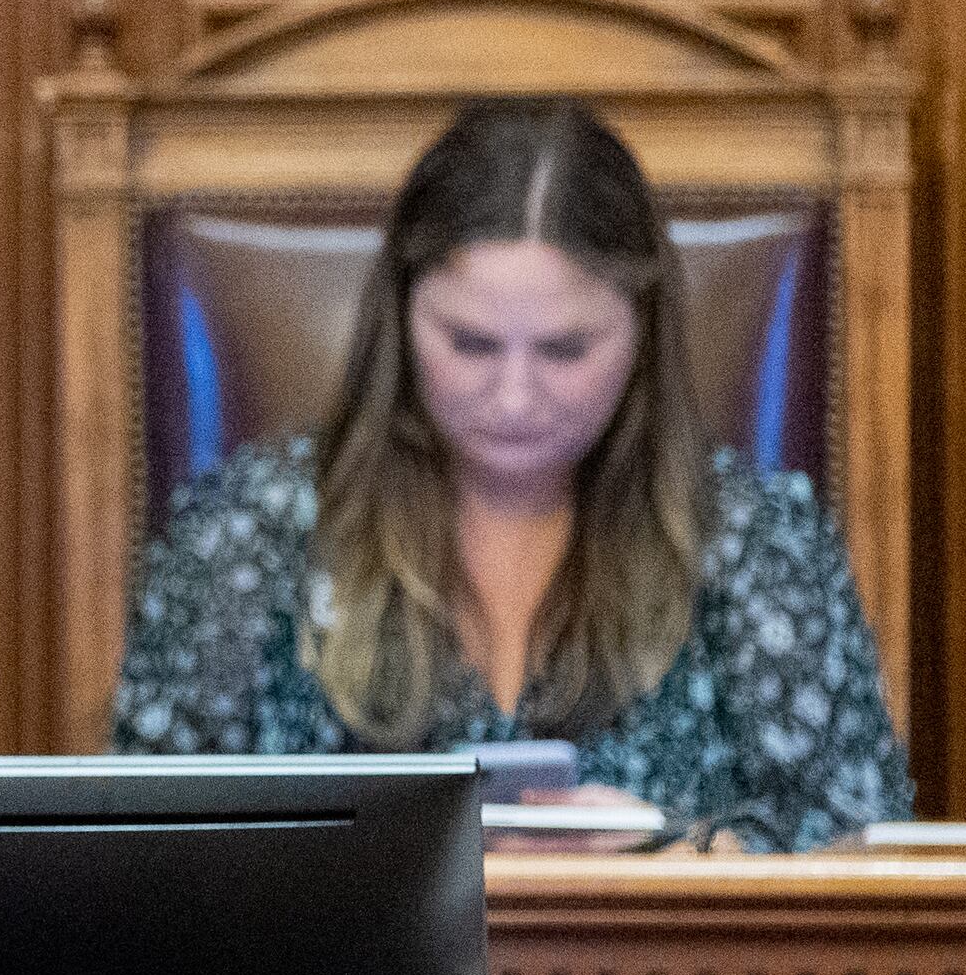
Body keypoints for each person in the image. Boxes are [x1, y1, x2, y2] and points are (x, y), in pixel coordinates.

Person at [109, 98, 912, 852]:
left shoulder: (756, 537)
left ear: (643, 329)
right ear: (401, 316)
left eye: (565, 350)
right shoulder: (249, 529)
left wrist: (684, 852)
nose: (515, 397)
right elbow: (141, 849)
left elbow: (865, 853)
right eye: (470, 344)